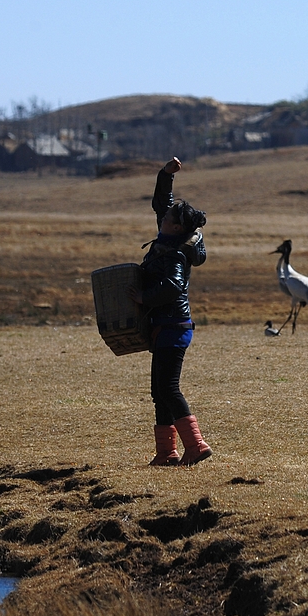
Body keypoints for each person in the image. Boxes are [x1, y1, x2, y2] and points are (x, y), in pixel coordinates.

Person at [128, 156, 210, 466]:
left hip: (173, 328)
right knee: (158, 391)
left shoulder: (175, 254)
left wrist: (143, 298)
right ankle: (166, 453)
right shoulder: (168, 238)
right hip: (165, 328)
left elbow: (173, 287)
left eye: (168, 217)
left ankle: (197, 445)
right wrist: (165, 174)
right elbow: (162, 203)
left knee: (168, 388)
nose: (162, 217)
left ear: (176, 227)